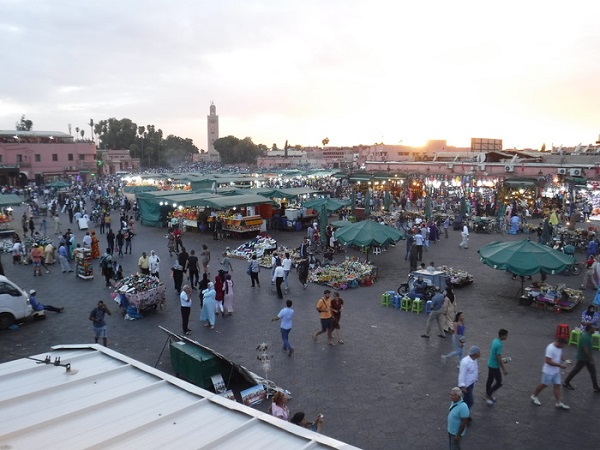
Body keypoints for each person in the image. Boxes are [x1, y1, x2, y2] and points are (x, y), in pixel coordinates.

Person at [530, 337, 570, 409]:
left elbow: (560, 354)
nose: (564, 347)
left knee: (557, 385)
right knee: (543, 385)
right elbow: (548, 361)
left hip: (556, 371)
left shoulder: (559, 347)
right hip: (548, 371)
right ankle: (534, 396)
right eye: (563, 345)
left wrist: (565, 360)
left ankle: (558, 403)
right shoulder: (550, 348)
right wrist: (560, 365)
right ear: (560, 343)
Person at [562, 324, 600, 392]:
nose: (594, 329)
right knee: (577, 370)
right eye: (593, 328)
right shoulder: (585, 337)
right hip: (583, 358)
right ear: (590, 329)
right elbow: (585, 349)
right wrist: (590, 359)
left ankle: (595, 387)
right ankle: (566, 382)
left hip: (585, 358)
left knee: (591, 371)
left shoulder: (588, 335)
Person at [485, 329, 509, 405]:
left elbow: (495, 354)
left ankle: (488, 395)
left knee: (490, 380)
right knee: (499, 382)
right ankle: (488, 395)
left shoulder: (495, 340)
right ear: (502, 335)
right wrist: (504, 369)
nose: (507, 336)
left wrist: (502, 359)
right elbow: (498, 357)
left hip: (490, 363)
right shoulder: (499, 345)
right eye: (506, 335)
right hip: (495, 366)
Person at [458, 346, 480, 412]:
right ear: (475, 354)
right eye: (479, 352)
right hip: (466, 385)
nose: (480, 353)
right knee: (470, 401)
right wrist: (462, 386)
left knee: (466, 400)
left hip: (471, 383)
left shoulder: (474, 360)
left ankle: (462, 412)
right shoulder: (465, 362)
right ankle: (464, 413)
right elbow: (462, 374)